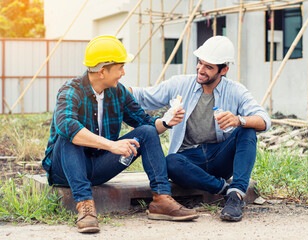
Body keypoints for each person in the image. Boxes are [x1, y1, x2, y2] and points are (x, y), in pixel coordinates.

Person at [42, 35, 198, 234]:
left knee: (148, 132)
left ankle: (161, 199)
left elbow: (147, 124)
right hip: (64, 169)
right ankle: (85, 205)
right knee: (69, 136)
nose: (123, 73)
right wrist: (111, 145)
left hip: (98, 167)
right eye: (120, 68)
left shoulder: (118, 92)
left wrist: (166, 121)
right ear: (102, 71)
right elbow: (66, 125)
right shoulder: (71, 90)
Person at [129, 36, 271, 222]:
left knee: (247, 130)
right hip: (189, 160)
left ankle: (235, 198)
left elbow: (265, 120)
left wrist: (238, 119)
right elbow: (142, 96)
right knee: (170, 162)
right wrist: (111, 86)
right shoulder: (180, 84)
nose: (200, 70)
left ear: (224, 70)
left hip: (219, 157)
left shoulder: (236, 90)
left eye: (208, 67)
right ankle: (225, 190)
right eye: (200, 63)